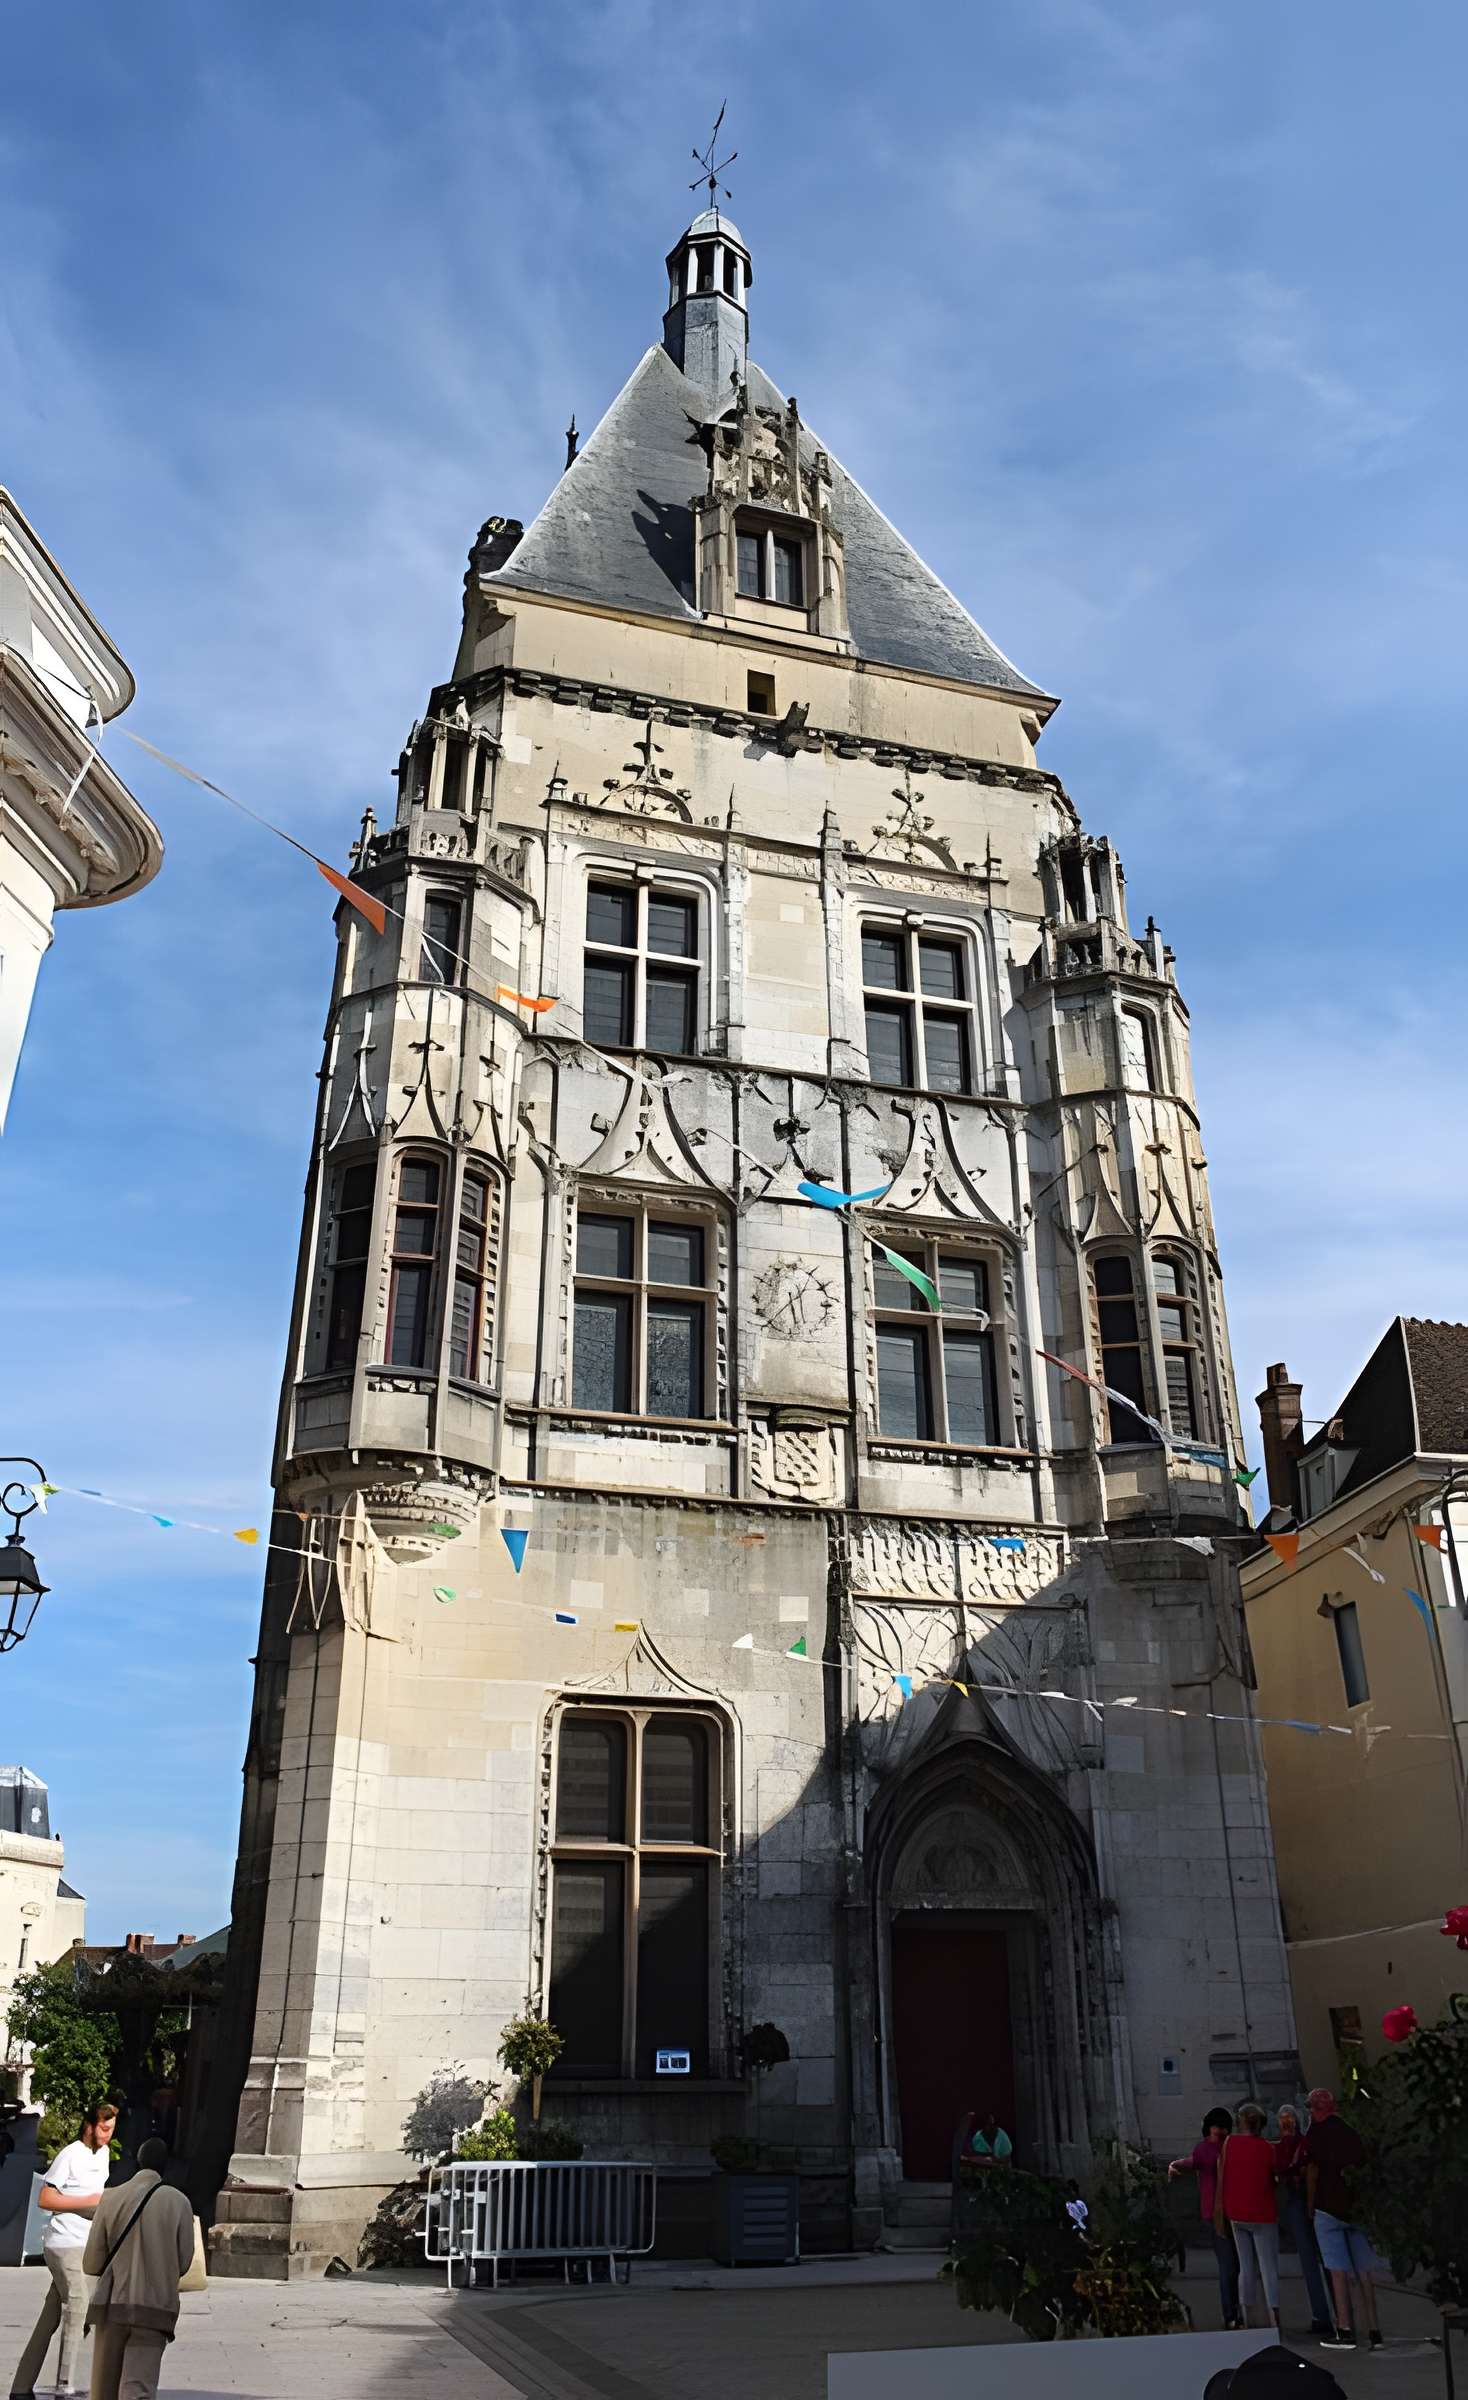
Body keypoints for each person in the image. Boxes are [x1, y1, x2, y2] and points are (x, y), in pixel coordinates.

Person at [9, 2098, 117, 2400]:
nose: (108, 2135)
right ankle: (64, 2385)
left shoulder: (105, 2154)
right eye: (104, 2128)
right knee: (79, 2305)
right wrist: (87, 2205)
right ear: (90, 2125)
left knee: (50, 2316)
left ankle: (20, 2388)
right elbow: (46, 2199)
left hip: (85, 2243)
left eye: (111, 2129)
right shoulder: (70, 2154)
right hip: (63, 2242)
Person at [83, 2138, 195, 2400]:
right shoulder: (179, 2202)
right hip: (154, 2310)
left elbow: (91, 2263)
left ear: (138, 2162)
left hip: (113, 2306)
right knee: (139, 2388)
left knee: (103, 2390)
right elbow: (184, 2262)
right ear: (166, 2166)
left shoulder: (110, 2198)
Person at [1303, 2087, 1382, 2353]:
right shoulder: (1349, 2132)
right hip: (1355, 2208)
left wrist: (1310, 2205)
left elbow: (1312, 2170)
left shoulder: (1315, 2134)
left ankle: (1345, 2329)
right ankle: (1374, 2330)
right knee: (1364, 2271)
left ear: (1314, 2109)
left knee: (1337, 2271)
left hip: (1327, 2208)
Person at [1169, 2106, 1240, 2330]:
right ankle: (1232, 2313)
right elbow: (1197, 2162)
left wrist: (1177, 2164)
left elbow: (1193, 2162)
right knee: (1231, 2265)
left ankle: (1232, 2313)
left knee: (1231, 2265)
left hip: (1220, 2212)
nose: (1219, 2131)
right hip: (1223, 2213)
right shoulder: (1218, 2149)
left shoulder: (1207, 2149)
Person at [1217, 2101, 1281, 2330]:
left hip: (1236, 2211)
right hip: (1262, 2212)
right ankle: (1274, 2318)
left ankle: (1247, 2315)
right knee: (1268, 2266)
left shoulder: (1230, 2144)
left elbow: (1224, 2173)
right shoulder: (1267, 2148)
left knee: (1245, 2266)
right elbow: (1274, 2177)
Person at [1273, 2103, 1335, 2338]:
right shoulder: (1284, 2146)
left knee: (1323, 2261)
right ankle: (1325, 2315)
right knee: (1312, 2261)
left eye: (1289, 2118)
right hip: (1298, 2201)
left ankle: (1334, 2314)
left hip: (1308, 2202)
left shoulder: (1303, 2143)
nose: (1286, 2123)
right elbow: (1281, 2169)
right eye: (1282, 2119)